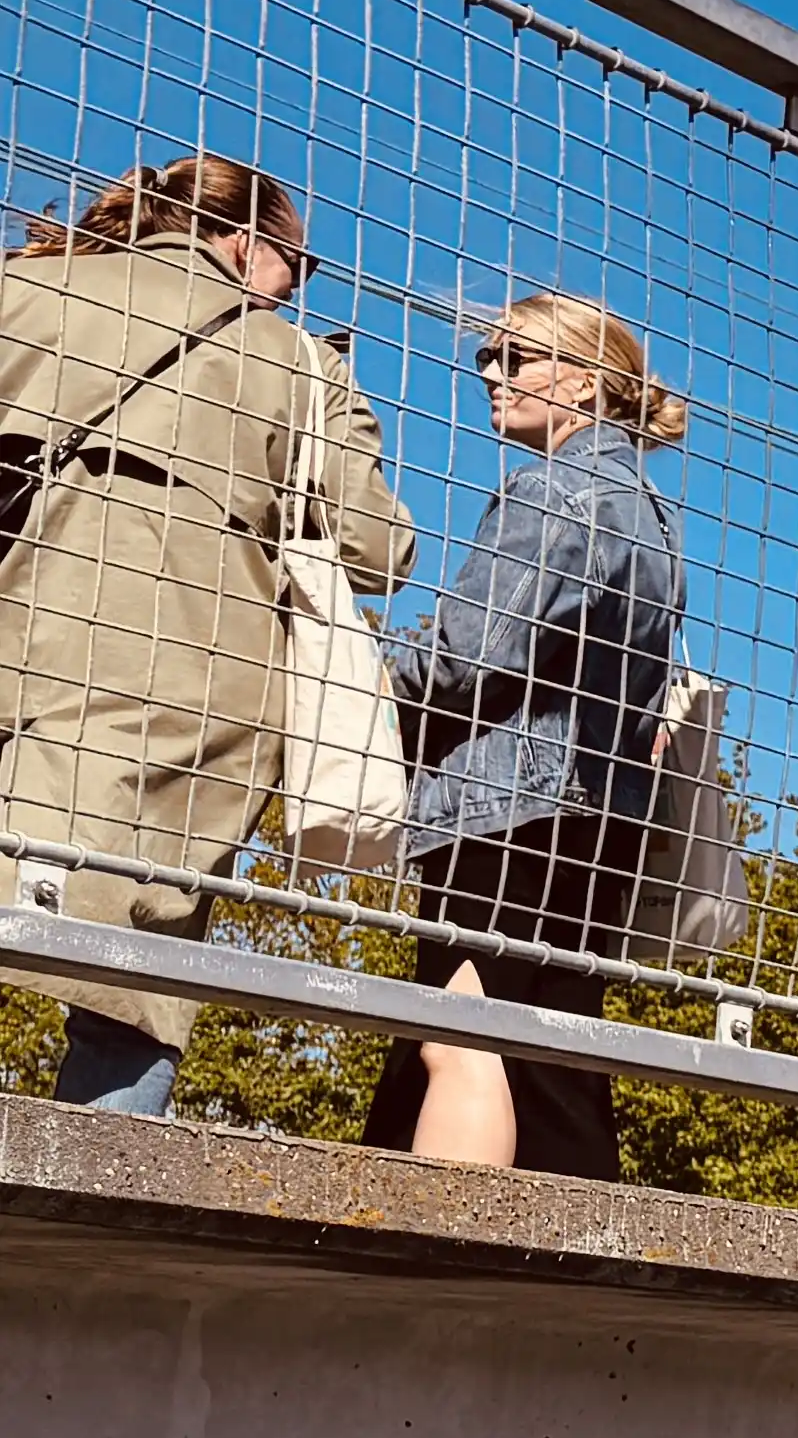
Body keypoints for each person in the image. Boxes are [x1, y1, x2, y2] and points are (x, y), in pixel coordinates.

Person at [0, 154, 411, 1112]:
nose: (294, 292)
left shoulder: (27, 289)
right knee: (138, 977)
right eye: (297, 268)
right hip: (208, 690)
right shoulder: (304, 365)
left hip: (30, 642)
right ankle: (84, 1225)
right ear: (245, 241)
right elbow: (379, 548)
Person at [361, 291, 683, 1179]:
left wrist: (347, 668)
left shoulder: (552, 491)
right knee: (553, 1064)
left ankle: (447, 1259)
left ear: (582, 384)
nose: (491, 377)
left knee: (460, 1036)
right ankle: (577, 1284)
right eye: (486, 361)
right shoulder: (651, 514)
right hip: (601, 821)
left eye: (515, 359)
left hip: (509, 814)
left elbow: (466, 658)